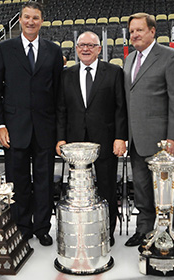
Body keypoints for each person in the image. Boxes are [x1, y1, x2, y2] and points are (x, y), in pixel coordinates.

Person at [0, 1, 63, 246]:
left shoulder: (53, 51)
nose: (31, 21)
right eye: (26, 17)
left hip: (45, 129)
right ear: (20, 20)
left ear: (42, 21)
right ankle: (22, 226)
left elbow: (58, 94)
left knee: (44, 183)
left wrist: (59, 131)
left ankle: (42, 227)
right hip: (14, 129)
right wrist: (0, 125)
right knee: (18, 182)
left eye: (36, 17)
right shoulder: (3, 49)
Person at [56, 31, 128, 247]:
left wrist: (120, 137)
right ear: (76, 49)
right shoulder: (66, 74)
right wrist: (60, 139)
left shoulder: (114, 72)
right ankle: (80, 230)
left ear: (99, 48)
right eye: (81, 45)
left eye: (90, 45)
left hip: (105, 141)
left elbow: (120, 108)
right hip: (75, 143)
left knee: (106, 187)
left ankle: (107, 232)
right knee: (78, 190)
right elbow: (61, 110)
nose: (85, 49)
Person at [123, 13, 174, 246]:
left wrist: (173, 137)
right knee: (140, 187)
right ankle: (143, 229)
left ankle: (173, 231)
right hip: (136, 138)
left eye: (139, 30)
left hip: (162, 140)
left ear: (152, 31)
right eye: (131, 31)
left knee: (168, 189)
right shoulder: (129, 59)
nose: (135, 35)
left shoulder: (171, 57)